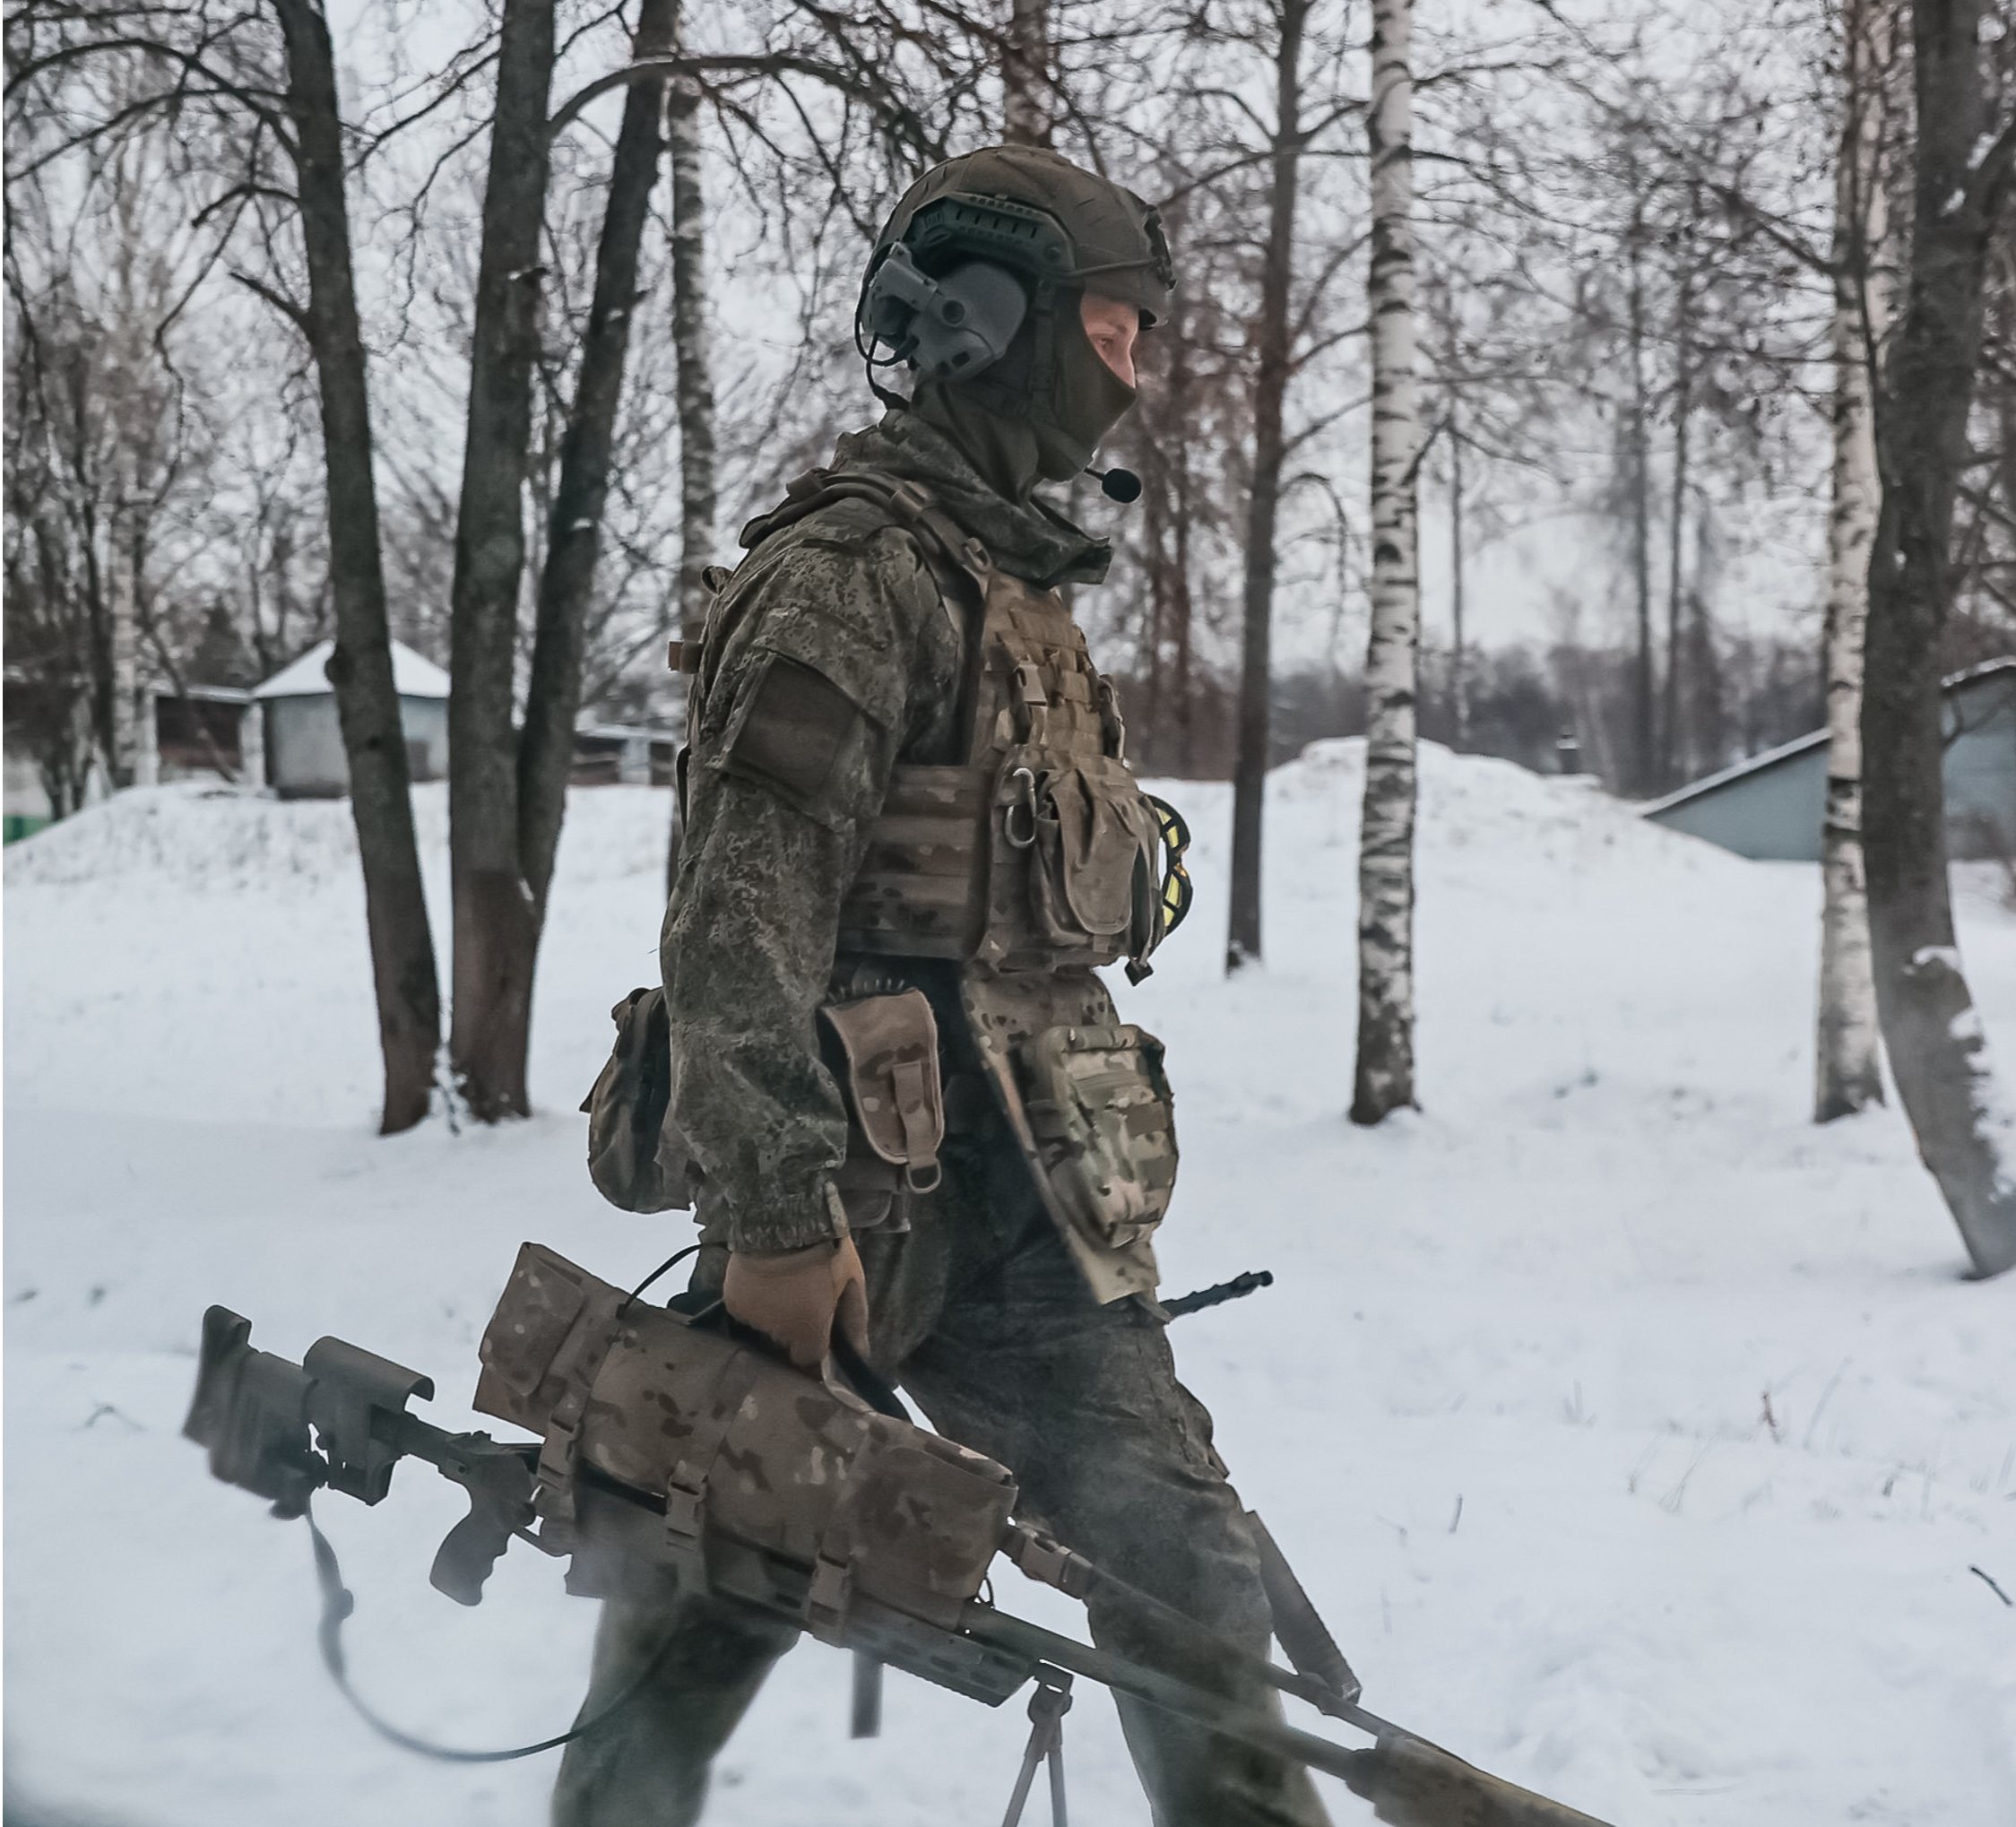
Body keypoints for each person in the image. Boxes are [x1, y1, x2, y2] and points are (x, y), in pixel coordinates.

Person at [552, 143, 1329, 1827]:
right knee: (714, 1588)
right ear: (993, 325)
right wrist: (770, 1220)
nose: (1129, 377)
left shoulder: (1017, 599)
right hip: (851, 1210)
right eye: (1113, 334)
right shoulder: (853, 575)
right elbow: (734, 923)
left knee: (1189, 1572)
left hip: (1033, 1223)